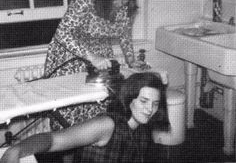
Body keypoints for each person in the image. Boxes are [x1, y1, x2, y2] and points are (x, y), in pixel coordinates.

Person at [43, 0, 139, 132]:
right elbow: (63, 32)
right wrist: (92, 57)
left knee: (99, 107)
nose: (121, 4)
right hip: (70, 54)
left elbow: (124, 36)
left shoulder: (125, 9)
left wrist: (132, 61)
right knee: (70, 113)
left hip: (100, 56)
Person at [0, 72, 170, 163]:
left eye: (155, 103)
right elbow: (52, 140)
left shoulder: (141, 129)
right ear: (129, 98)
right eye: (144, 101)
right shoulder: (107, 125)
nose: (150, 109)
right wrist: (16, 150)